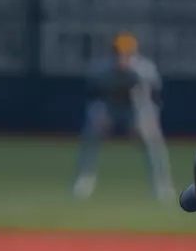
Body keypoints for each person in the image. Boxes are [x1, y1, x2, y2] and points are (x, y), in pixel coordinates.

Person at [72, 31, 174, 201]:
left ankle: (161, 184)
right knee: (91, 132)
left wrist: (142, 122)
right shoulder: (102, 69)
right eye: (118, 52)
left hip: (137, 107)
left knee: (152, 139)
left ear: (134, 53)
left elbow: (152, 97)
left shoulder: (143, 69)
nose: (121, 55)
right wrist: (99, 117)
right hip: (111, 106)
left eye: (126, 52)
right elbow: (94, 96)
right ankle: (84, 180)